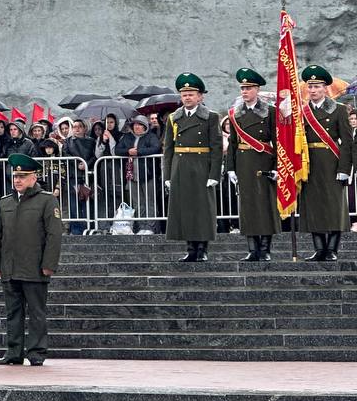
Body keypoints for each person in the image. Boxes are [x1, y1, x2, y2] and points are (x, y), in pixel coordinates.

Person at [0, 153, 62, 366]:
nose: (18, 180)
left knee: (37, 313)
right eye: (15, 176)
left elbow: (54, 235)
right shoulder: (6, 202)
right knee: (13, 313)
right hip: (10, 268)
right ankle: (13, 352)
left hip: (35, 268)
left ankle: (36, 352)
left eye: (23, 176)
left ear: (34, 178)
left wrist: (49, 265)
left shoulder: (47, 200)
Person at [292, 65, 352, 260]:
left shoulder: (339, 110)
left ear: (325, 88)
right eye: (310, 87)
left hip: (332, 162)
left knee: (334, 207)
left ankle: (332, 250)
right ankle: (319, 249)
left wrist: (345, 169)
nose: (313, 90)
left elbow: (347, 142)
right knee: (313, 207)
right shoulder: (301, 111)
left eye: (317, 86)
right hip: (309, 164)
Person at [162, 74, 222, 262]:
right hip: (180, 166)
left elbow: (216, 147)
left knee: (202, 209)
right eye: (184, 94)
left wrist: (214, 174)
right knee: (185, 209)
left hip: (201, 165)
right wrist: (167, 175)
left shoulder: (210, 117)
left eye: (191, 94)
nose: (187, 97)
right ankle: (190, 248)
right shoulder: (174, 118)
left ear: (200, 97)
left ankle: (202, 249)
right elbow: (168, 149)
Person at [225, 68, 280, 261]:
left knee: (264, 206)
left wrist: (277, 168)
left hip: (264, 162)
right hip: (243, 162)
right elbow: (232, 143)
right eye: (242, 88)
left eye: (248, 88)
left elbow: (277, 141)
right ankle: (251, 249)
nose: (244, 92)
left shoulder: (270, 111)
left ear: (257, 89)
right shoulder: (235, 114)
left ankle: (264, 249)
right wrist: (230, 168)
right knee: (247, 207)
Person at [116, 116, 164, 234]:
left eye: (140, 124)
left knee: (150, 202)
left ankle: (150, 227)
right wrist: (128, 151)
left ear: (145, 126)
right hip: (132, 175)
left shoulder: (150, 136)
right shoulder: (127, 137)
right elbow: (117, 150)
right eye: (135, 124)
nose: (137, 126)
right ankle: (142, 226)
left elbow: (156, 148)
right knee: (138, 202)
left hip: (147, 174)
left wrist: (138, 152)